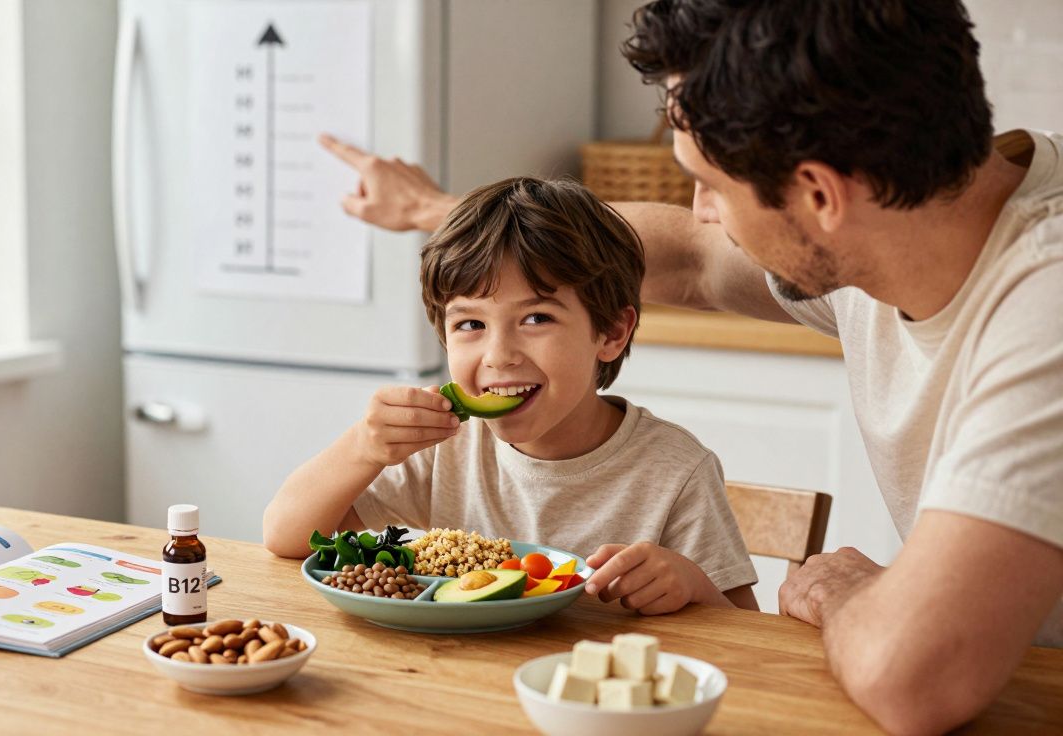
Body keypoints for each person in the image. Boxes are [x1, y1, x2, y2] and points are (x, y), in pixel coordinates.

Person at [316, 1, 1063, 733]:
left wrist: (847, 593)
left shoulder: (1043, 310)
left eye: (710, 185)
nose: (702, 211)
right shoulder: (901, 220)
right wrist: (448, 215)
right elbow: (685, 256)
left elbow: (917, 680)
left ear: (819, 194)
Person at [263, 176, 760, 614]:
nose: (499, 355)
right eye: (471, 324)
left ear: (611, 332)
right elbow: (286, 535)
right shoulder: (445, 444)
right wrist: (363, 448)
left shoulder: (676, 470)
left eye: (536, 318)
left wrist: (692, 585)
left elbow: (747, 635)